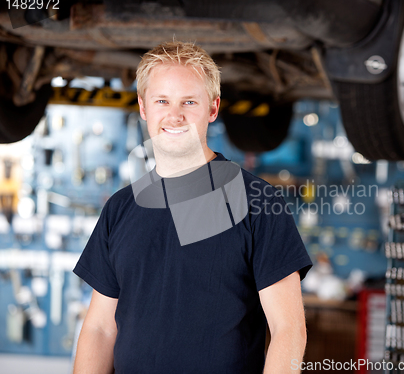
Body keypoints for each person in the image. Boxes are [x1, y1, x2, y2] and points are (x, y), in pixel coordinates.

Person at [72, 41, 312, 374]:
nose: (174, 115)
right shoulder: (120, 209)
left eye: (189, 101)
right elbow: (100, 329)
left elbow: (288, 331)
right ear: (143, 107)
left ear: (212, 109)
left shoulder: (259, 203)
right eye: (161, 101)